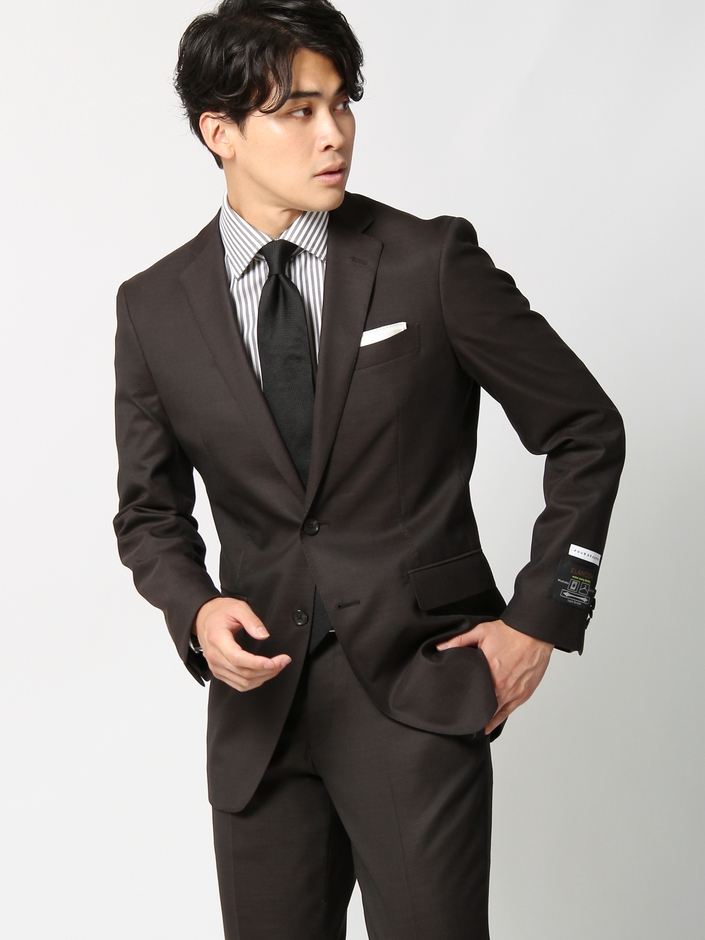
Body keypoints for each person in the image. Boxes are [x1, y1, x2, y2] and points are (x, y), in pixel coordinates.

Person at [113, 1, 625, 937]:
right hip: (259, 717)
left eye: (342, 103)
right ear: (220, 132)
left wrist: (542, 618)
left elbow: (586, 430)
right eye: (298, 110)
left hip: (416, 695)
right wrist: (194, 609)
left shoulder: (430, 262)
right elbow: (148, 514)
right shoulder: (153, 308)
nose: (334, 133)